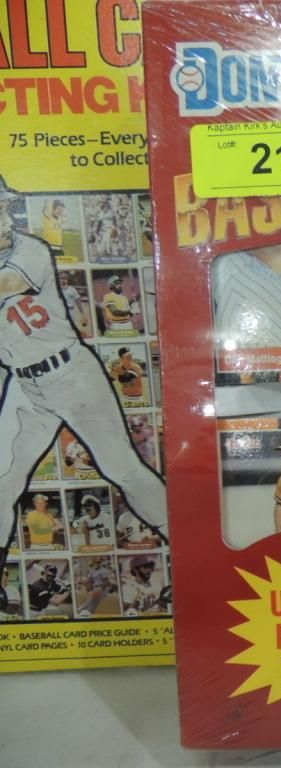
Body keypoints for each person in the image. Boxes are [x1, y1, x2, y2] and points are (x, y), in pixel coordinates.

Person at [0, 177, 168, 577]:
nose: (5, 218)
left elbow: (7, 284)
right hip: (25, 387)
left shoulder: (30, 249)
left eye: (4, 208)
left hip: (71, 374)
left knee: (121, 468)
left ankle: (189, 547)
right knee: (2, 480)